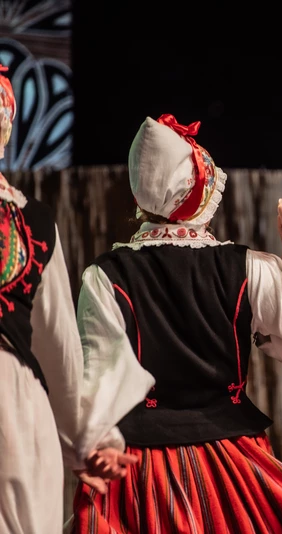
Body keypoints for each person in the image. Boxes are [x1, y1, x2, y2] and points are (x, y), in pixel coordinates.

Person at [70, 113, 282, 533]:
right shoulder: (248, 267)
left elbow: (100, 375)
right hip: (230, 454)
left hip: (142, 465)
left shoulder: (105, 275)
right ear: (200, 192)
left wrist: (92, 442)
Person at [0, 63, 137, 534]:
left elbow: (57, 343)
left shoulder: (32, 220)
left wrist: (88, 437)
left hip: (14, 410)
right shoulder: (30, 219)